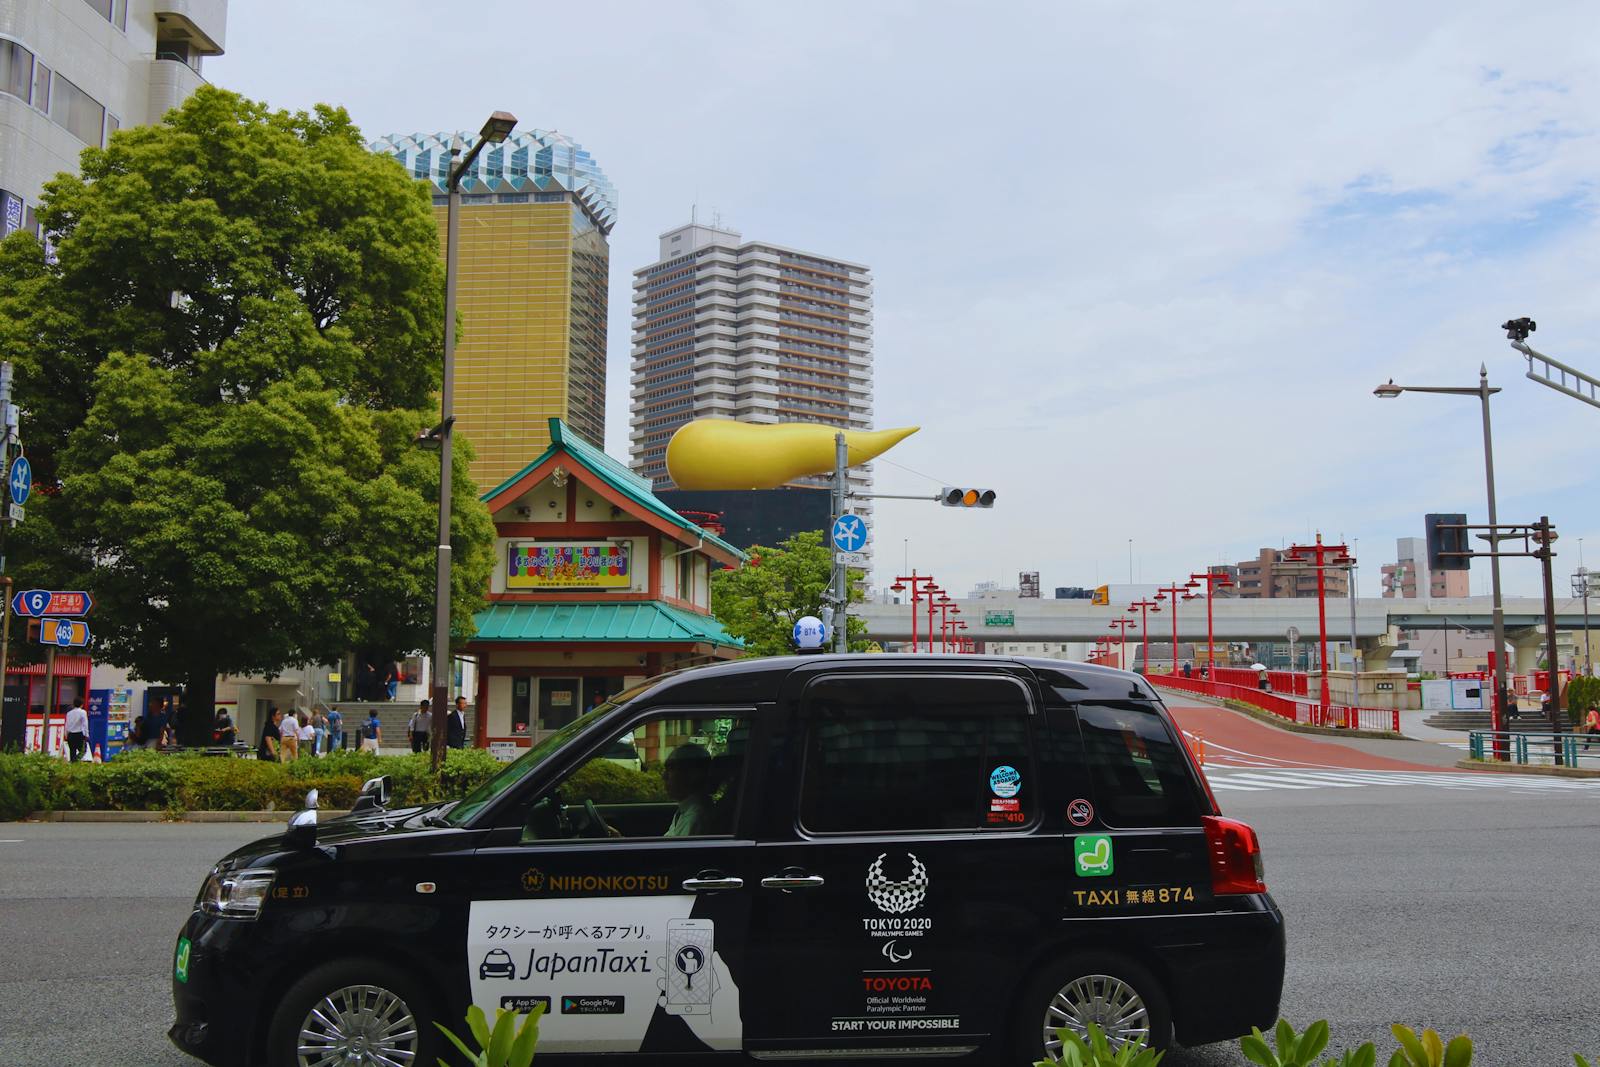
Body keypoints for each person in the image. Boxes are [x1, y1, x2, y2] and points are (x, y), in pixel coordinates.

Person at [662, 743, 715, 837]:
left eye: (671, 769)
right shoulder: (685, 810)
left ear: (692, 775)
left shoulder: (695, 818)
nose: (664, 776)